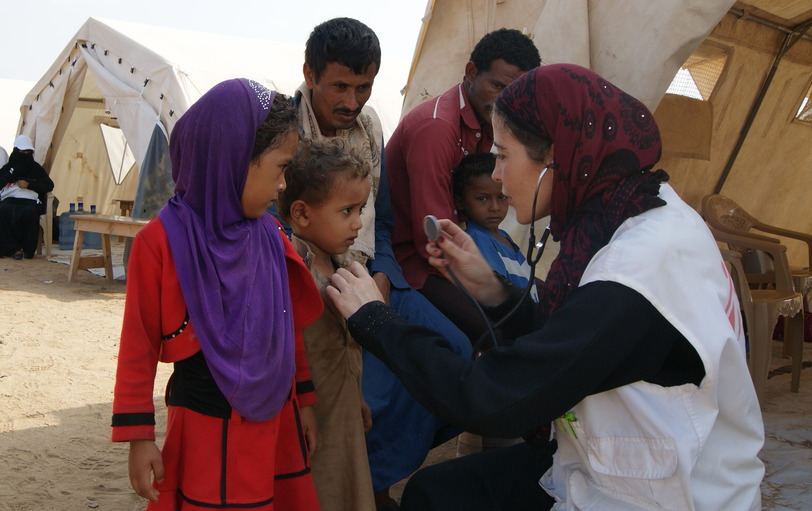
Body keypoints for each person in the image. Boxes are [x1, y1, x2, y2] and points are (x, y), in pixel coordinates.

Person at [326, 64, 766, 510]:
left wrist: (377, 321)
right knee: (437, 493)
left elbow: (491, 397)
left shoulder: (636, 272)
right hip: (622, 458)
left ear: (556, 158)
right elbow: (573, 338)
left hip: (662, 493)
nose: (496, 175)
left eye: (503, 155)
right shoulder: (642, 210)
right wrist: (490, 288)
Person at [112, 79, 325, 511]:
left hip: (275, 420)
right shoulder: (161, 242)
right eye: (280, 168)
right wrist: (138, 436)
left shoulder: (270, 236)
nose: (283, 185)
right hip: (205, 423)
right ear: (233, 160)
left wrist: (303, 401)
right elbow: (138, 344)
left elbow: (286, 329)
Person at [294, 17, 471, 510]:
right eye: (340, 87)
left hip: (374, 276)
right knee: (364, 395)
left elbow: (385, 220)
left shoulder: (371, 127)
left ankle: (380, 473)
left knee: (452, 350)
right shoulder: (283, 134)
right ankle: (366, 488)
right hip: (316, 287)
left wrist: (384, 276)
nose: (353, 102)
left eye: (364, 87)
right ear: (310, 74)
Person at [385, 29, 540, 342]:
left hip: (458, 250)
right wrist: (487, 287)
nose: (505, 100)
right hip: (415, 260)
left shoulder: (489, 124)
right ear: (471, 73)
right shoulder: (437, 128)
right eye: (497, 85)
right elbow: (433, 237)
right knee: (498, 332)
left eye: (515, 91)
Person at [277, 138, 377, 511]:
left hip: (343, 410)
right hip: (309, 418)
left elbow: (346, 349)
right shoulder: (291, 271)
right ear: (301, 214)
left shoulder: (344, 264)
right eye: (347, 210)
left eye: (361, 208)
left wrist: (358, 397)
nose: (358, 222)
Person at [452, 151, 534, 343]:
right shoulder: (478, 239)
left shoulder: (503, 236)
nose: (494, 207)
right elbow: (496, 291)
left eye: (501, 197)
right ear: (460, 202)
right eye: (482, 198)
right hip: (515, 332)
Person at [0, 136, 54, 260]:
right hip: (10, 199)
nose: (25, 155)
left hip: (30, 200)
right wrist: (10, 175)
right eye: (22, 152)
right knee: (4, 211)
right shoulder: (8, 168)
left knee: (29, 213)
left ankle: (28, 250)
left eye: (28, 152)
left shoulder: (36, 169)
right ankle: (12, 250)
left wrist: (29, 185)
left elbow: (49, 185)